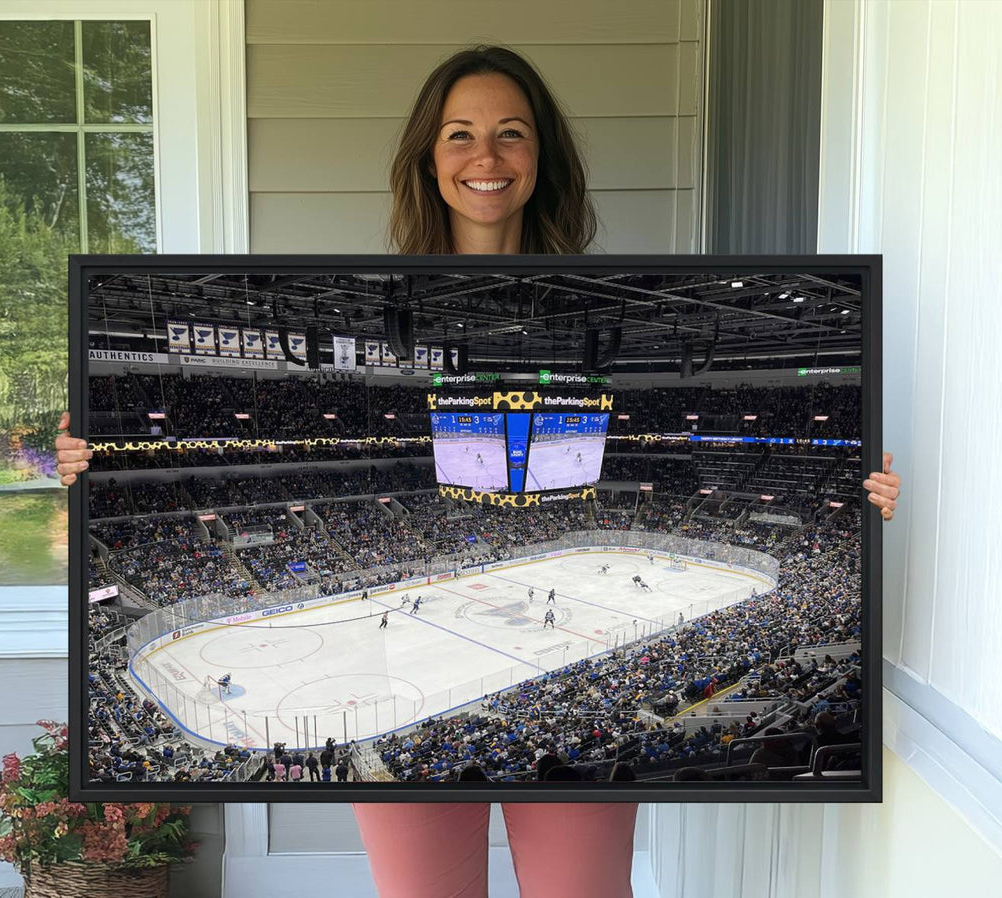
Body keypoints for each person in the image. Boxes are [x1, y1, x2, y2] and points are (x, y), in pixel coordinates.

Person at [57, 42, 903, 898]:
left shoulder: (600, 305)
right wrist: (83, 465)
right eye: (459, 134)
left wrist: (869, 498)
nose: (485, 157)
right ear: (428, 158)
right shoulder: (372, 301)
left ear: (543, 158)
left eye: (511, 133)